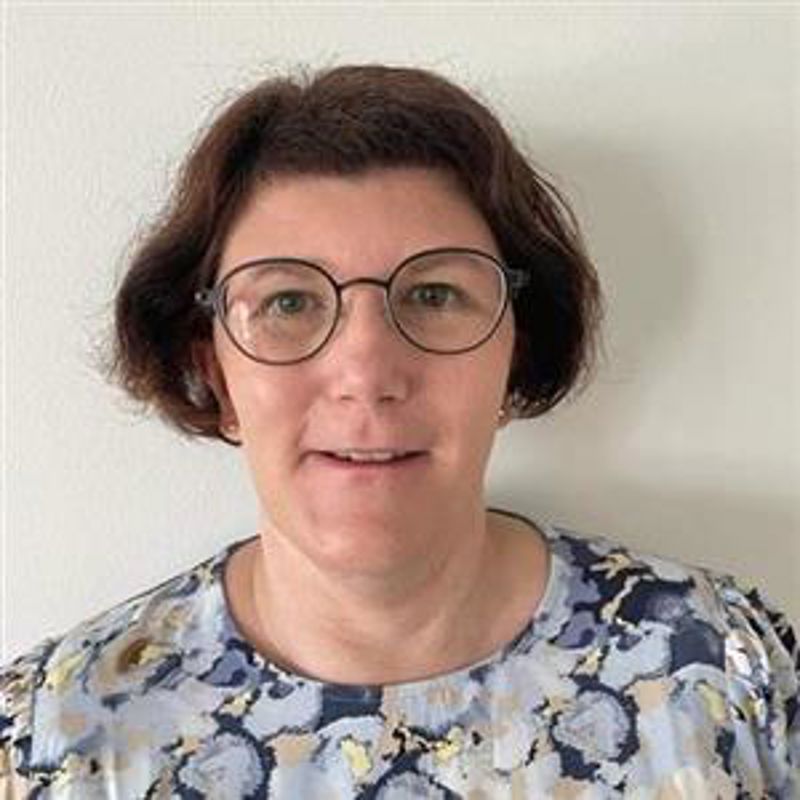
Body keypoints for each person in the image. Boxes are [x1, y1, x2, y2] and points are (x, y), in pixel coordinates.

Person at [1, 64, 797, 798]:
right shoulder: (55, 739)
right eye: (287, 302)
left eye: (434, 295)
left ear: (515, 352)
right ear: (213, 372)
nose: (366, 372)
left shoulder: (724, 671)